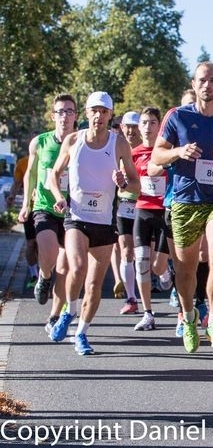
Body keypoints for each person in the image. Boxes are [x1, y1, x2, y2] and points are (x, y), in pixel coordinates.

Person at [152, 62, 213, 352]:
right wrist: (179, 151)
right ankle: (189, 317)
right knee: (185, 269)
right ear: (194, 83)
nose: (207, 85)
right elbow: (157, 155)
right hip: (186, 200)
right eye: (203, 80)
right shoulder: (178, 117)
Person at [46, 91, 140, 354]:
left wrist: (123, 184)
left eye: (104, 112)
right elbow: (53, 175)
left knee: (95, 284)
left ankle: (82, 333)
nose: (99, 116)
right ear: (86, 113)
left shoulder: (118, 143)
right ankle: (69, 312)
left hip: (105, 221)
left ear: (111, 115)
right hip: (76, 216)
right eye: (94, 111)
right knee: (77, 268)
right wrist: (58, 198)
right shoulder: (73, 141)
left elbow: (136, 184)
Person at [19, 94, 77, 332]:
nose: (64, 116)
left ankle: (54, 315)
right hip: (44, 207)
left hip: (73, 211)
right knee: (49, 250)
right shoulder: (40, 142)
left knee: (65, 268)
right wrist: (25, 204)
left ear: (76, 116)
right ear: (53, 116)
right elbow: (30, 174)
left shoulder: (80, 141)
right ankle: (43, 276)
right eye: (60, 111)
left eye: (69, 111)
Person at [131, 107, 174, 331]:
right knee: (141, 262)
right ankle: (147, 312)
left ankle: (166, 271)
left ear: (159, 127)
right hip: (142, 210)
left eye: (152, 122)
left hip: (164, 211)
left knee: (157, 266)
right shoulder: (134, 153)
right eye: (144, 123)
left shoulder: (167, 151)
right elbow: (128, 182)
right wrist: (120, 182)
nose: (148, 127)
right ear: (139, 127)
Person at [115, 111, 142, 315]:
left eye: (135, 126)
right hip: (124, 204)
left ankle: (164, 273)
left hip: (145, 204)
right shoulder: (114, 148)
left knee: (144, 253)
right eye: (127, 127)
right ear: (121, 127)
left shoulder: (147, 149)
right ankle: (131, 298)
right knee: (126, 250)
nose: (131, 131)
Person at [8, 154, 39, 288]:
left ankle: (45, 274)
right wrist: (11, 196)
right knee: (31, 243)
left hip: (49, 209)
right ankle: (34, 274)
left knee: (44, 243)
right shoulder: (23, 162)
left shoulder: (53, 157)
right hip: (30, 209)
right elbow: (17, 182)